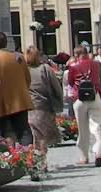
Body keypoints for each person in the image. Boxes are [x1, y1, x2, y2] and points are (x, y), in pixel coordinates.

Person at [0, 31, 33, 146]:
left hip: (1, 103)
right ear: (6, 42)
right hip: (19, 100)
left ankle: (4, 159)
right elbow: (27, 79)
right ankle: (30, 156)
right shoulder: (19, 58)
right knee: (24, 132)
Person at [25, 46, 63, 183]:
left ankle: (36, 162)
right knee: (42, 136)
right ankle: (42, 162)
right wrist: (59, 101)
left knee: (34, 136)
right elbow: (56, 87)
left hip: (28, 107)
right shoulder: (45, 69)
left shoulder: (24, 70)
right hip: (44, 107)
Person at [64, 44, 101, 168]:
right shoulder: (96, 64)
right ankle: (98, 153)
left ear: (76, 55)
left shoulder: (73, 66)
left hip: (80, 98)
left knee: (83, 129)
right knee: (96, 126)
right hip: (95, 96)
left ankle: (84, 156)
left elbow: (71, 82)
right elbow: (99, 78)